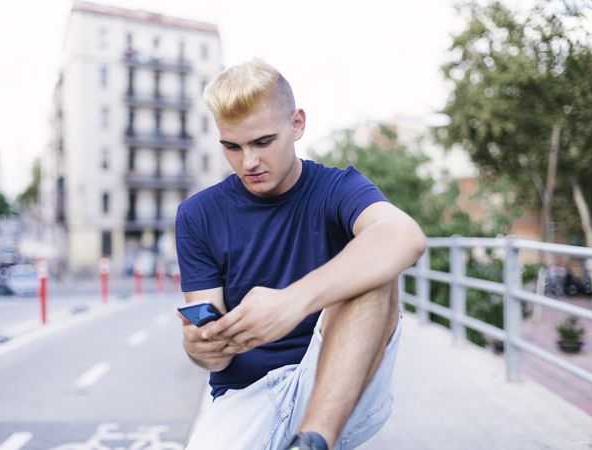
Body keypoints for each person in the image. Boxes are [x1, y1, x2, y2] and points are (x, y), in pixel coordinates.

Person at [175, 59, 426, 450]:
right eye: (232, 147)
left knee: (376, 265)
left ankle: (313, 441)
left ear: (297, 125)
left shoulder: (337, 188)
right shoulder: (198, 215)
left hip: (338, 382)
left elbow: (404, 236)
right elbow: (215, 358)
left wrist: (293, 302)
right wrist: (200, 348)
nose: (249, 162)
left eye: (262, 142)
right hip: (244, 396)